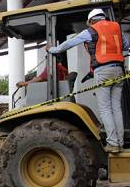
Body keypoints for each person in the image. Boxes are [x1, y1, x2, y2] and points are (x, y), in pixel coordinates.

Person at [47, 8, 130, 153]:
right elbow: (126, 46)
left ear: (92, 20)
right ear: (103, 17)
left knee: (105, 108)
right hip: (119, 70)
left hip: (103, 71)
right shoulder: (117, 27)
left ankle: (113, 143)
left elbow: (69, 44)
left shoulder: (91, 30)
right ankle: (120, 142)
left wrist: (53, 50)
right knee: (116, 107)